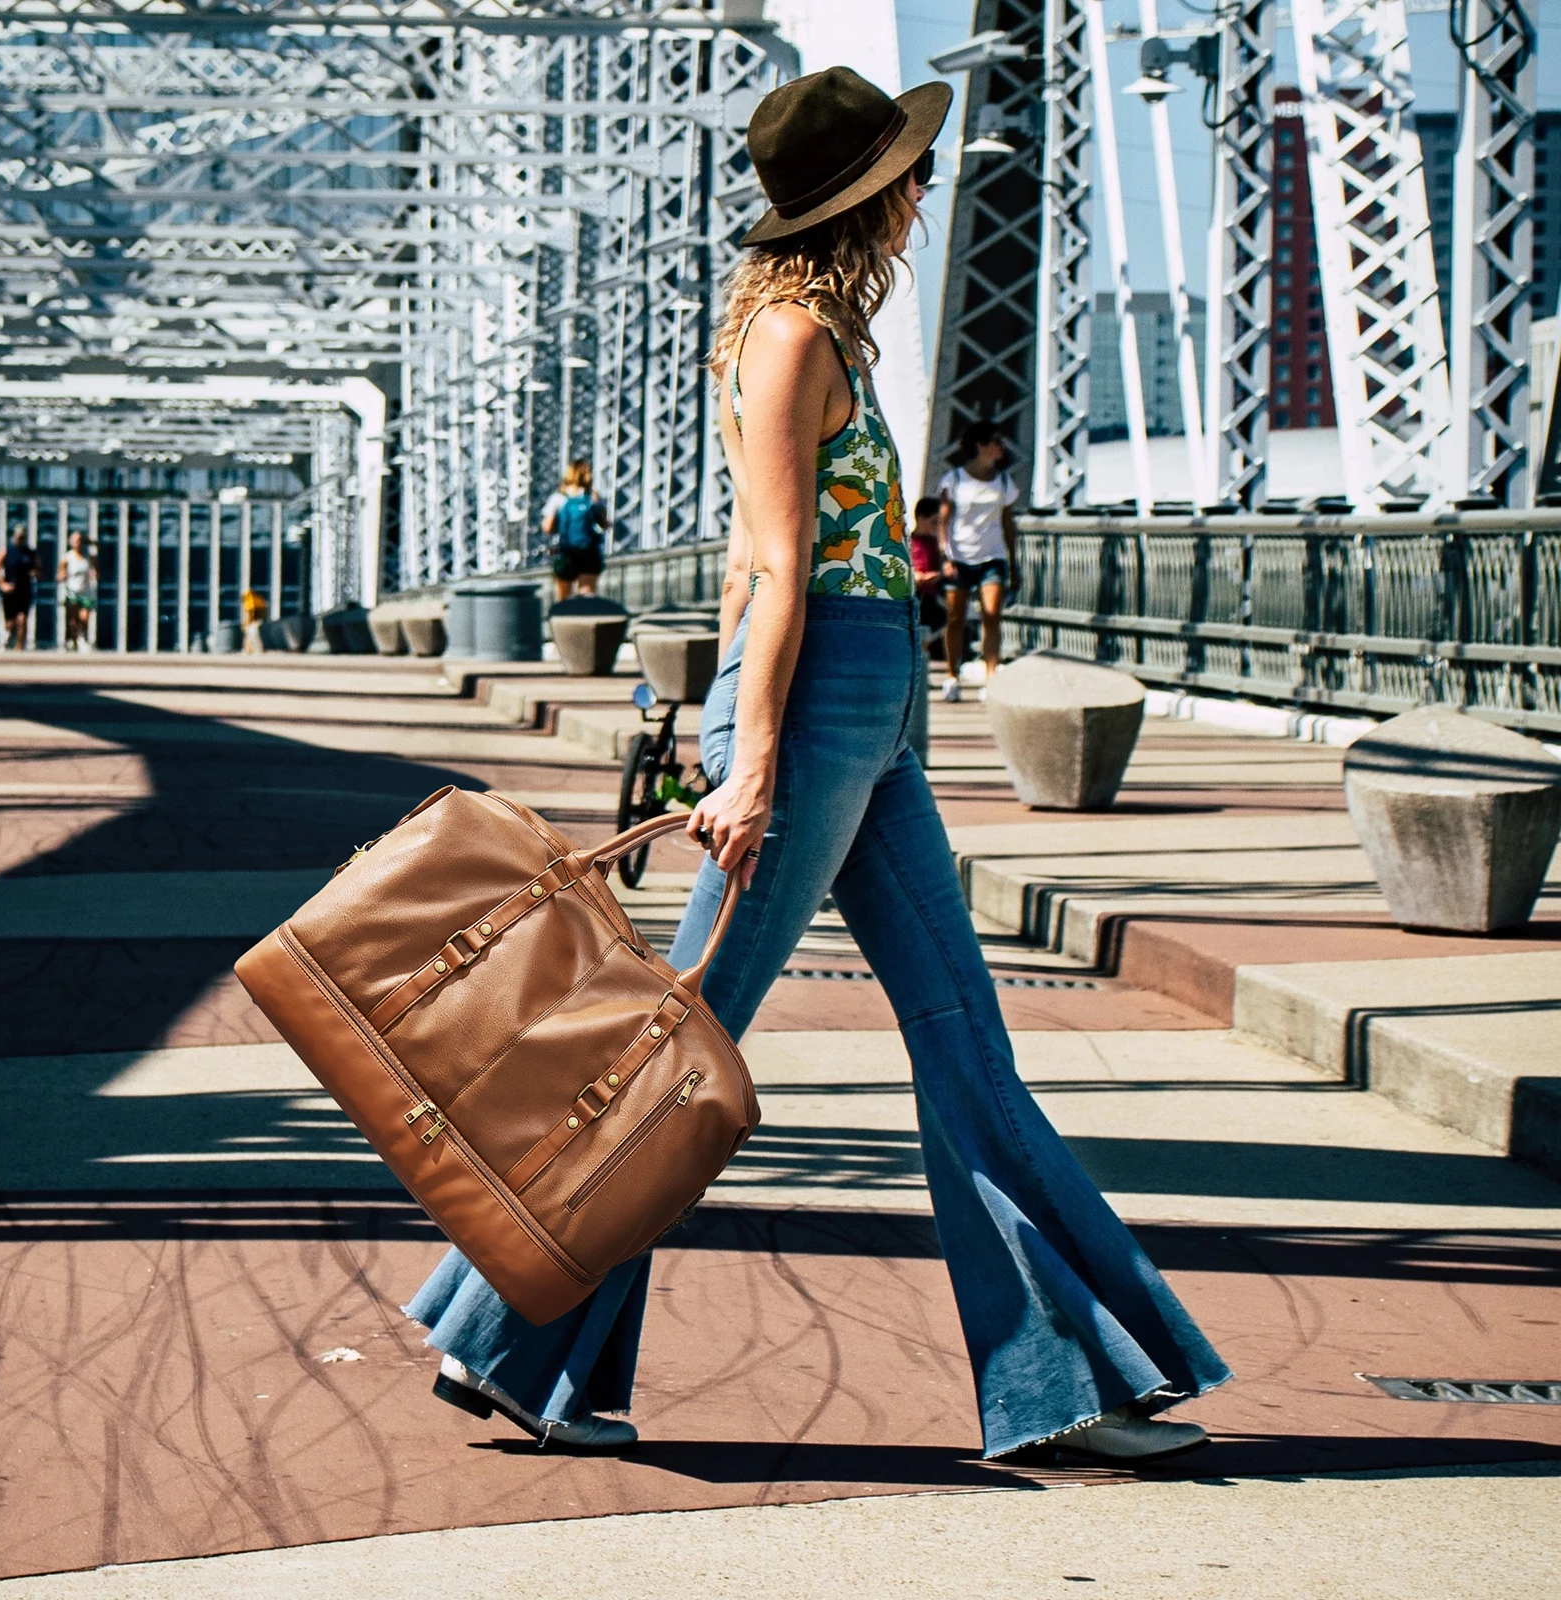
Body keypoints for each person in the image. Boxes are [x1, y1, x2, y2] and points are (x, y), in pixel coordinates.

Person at [405, 66, 1229, 1464]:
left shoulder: (817, 328)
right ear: (866, 197)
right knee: (678, 1045)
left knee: (963, 1042)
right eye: (907, 175)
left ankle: (1062, 1389)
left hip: (867, 709)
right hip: (816, 714)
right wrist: (748, 759)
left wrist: (776, 720)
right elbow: (777, 568)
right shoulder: (792, 338)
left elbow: (765, 565)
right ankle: (504, 1337)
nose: (922, 193)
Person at [936, 421, 1019, 702]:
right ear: (981, 446)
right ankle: (951, 675)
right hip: (959, 559)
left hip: (992, 557)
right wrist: (945, 555)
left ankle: (991, 675)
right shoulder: (954, 480)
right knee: (955, 618)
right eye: (996, 441)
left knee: (992, 615)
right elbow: (943, 521)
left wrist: (1014, 561)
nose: (1001, 447)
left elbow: (1008, 524)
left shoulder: (1005, 482)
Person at [541, 459, 610, 600]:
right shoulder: (593, 497)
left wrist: (560, 528)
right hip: (589, 552)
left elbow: (547, 527)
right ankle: (585, 620)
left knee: (563, 596)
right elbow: (603, 524)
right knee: (587, 593)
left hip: (566, 551)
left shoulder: (558, 498)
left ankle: (563, 619)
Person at [908, 494, 947, 648]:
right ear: (921, 518)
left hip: (931, 595)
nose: (936, 527)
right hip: (916, 593)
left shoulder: (933, 543)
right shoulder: (909, 542)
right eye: (934, 522)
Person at [0, 525, 38, 650]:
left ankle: (19, 647)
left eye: (22, 537)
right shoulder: (7, 551)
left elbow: (39, 569)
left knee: (22, 619)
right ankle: (4, 641)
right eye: (18, 537)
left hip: (25, 590)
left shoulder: (30, 553)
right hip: (10, 591)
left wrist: (35, 573)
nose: (20, 540)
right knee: (10, 622)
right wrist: (2, 584)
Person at [58, 530, 98, 652]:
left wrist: (94, 573)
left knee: (84, 617)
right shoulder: (67, 557)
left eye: (80, 540)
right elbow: (59, 574)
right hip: (72, 592)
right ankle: (73, 641)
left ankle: (83, 638)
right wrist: (62, 576)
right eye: (75, 541)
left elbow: (95, 570)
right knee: (73, 620)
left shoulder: (88, 557)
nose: (78, 543)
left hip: (85, 592)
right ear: (71, 542)